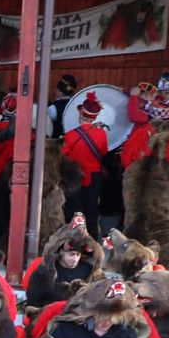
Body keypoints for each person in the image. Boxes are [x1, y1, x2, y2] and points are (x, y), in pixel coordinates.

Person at [63, 92, 109, 239]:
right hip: (94, 176)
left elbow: (64, 156)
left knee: (75, 210)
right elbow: (103, 152)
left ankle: (74, 239)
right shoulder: (102, 134)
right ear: (95, 117)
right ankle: (93, 239)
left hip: (74, 177)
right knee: (91, 210)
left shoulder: (69, 136)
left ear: (81, 114)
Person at [48, 74, 79, 139]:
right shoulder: (77, 105)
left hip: (57, 143)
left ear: (59, 92)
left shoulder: (53, 108)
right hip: (75, 139)